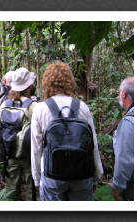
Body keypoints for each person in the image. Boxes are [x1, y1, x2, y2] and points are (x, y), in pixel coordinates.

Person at [31, 61, 104, 201]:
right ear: (70, 82)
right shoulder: (82, 106)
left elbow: (36, 148)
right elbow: (93, 144)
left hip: (52, 174)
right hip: (82, 174)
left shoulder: (40, 109)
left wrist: (36, 178)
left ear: (46, 83)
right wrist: (96, 175)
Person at [0, 67, 37, 201]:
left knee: (11, 190)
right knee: (31, 190)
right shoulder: (33, 106)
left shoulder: (5, 104)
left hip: (10, 153)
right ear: (29, 86)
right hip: (28, 155)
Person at [112, 77, 134, 201]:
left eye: (119, 92)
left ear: (124, 94)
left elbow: (124, 158)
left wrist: (118, 185)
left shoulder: (129, 121)